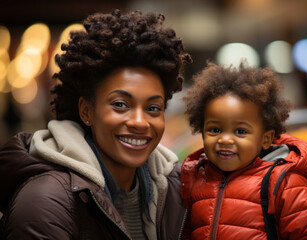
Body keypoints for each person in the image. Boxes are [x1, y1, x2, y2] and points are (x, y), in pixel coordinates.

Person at [0, 9, 192, 239]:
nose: (140, 122)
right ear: (86, 110)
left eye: (153, 108)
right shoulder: (44, 202)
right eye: (120, 104)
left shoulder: (176, 191)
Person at [180, 62, 307, 239]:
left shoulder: (285, 184)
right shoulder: (196, 179)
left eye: (240, 131)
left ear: (266, 139)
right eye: (215, 130)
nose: (225, 139)